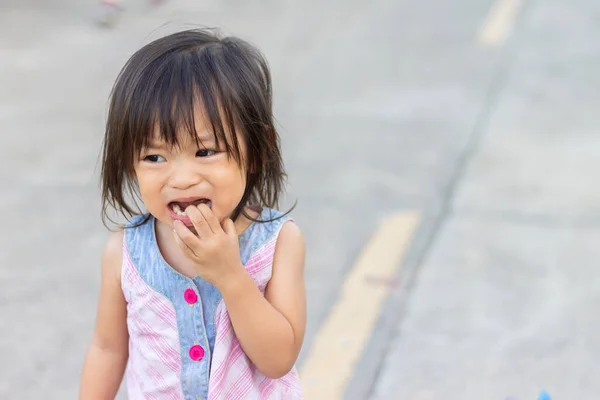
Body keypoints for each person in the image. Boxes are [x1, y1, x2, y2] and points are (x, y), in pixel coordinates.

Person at [79, 29, 306, 399]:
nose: (182, 179)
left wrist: (231, 275)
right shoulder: (126, 252)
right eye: (155, 157)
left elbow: (278, 360)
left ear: (260, 149)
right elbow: (108, 349)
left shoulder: (278, 242)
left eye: (205, 152)